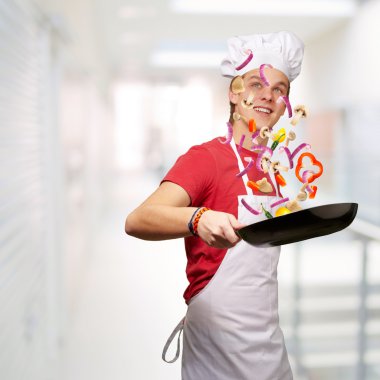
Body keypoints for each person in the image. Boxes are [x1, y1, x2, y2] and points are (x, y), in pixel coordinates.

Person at [125, 31, 304, 380]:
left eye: (280, 89)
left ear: (285, 106)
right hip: (217, 351)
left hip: (266, 346)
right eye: (257, 83)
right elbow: (138, 219)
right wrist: (198, 218)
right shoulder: (206, 158)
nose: (268, 94)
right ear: (234, 94)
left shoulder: (273, 169)